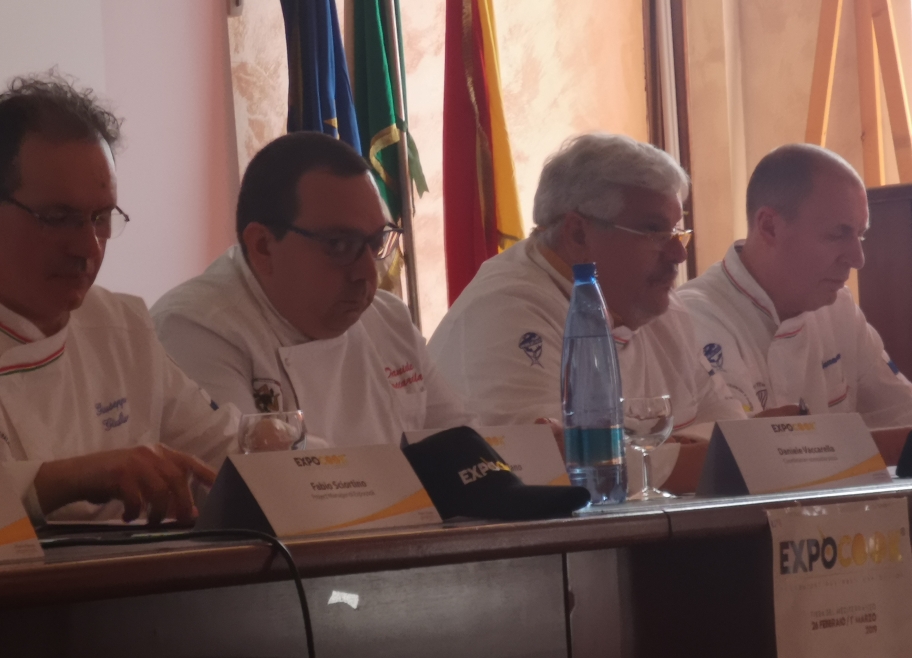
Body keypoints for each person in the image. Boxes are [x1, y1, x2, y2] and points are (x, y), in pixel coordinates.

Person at [428, 133, 746, 493]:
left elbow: (732, 431)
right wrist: (674, 451)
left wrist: (653, 452)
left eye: (677, 232)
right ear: (578, 233)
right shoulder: (504, 313)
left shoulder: (659, 307)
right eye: (654, 231)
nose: (679, 254)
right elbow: (559, 469)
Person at [0, 75, 238, 523]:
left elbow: (221, 448)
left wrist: (285, 447)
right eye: (58, 217)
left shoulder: (120, 326)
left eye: (101, 217)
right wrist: (72, 478)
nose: (88, 247)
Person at [151, 132, 475, 448]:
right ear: (263, 246)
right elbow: (255, 475)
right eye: (339, 245)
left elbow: (464, 448)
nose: (367, 274)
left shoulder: (389, 321)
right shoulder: (193, 328)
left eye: (376, 243)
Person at [679, 144, 912, 460]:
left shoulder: (839, 309)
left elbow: (900, 412)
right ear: (769, 226)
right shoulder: (692, 321)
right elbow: (744, 465)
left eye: (860, 235)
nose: (858, 259)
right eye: (838, 234)